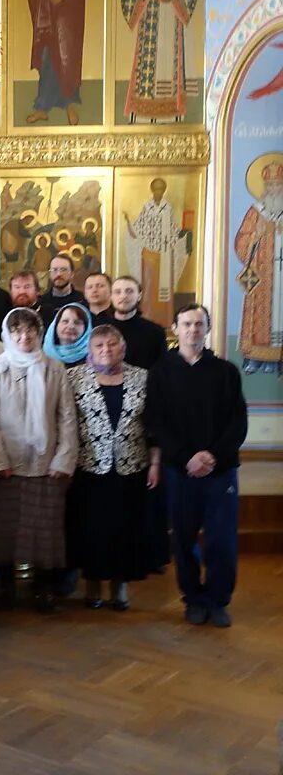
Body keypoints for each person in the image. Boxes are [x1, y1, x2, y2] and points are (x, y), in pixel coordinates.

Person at [146, 305, 247, 627]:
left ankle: (217, 600)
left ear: (208, 328)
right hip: (180, 470)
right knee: (183, 537)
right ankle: (193, 597)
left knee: (221, 539)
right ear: (175, 328)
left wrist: (212, 456)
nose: (192, 330)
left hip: (220, 470)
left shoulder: (226, 371)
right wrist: (185, 458)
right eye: (186, 324)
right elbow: (156, 422)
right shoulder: (161, 372)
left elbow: (237, 422)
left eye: (199, 324)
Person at [0, 308, 78, 613]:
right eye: (17, 330)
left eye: (31, 330)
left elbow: (67, 416)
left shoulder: (55, 368)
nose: (24, 336)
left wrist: (63, 459)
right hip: (7, 464)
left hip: (46, 463)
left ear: (39, 332)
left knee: (44, 529)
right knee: (5, 529)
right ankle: (6, 586)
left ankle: (43, 587)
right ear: (9, 334)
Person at [67, 326, 156, 612]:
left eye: (112, 344)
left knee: (124, 528)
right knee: (92, 529)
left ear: (123, 347)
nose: (106, 349)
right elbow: (65, 423)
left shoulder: (142, 377)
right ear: (90, 350)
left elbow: (155, 424)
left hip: (131, 465)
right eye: (99, 345)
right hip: (89, 466)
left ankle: (120, 585)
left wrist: (155, 462)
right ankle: (92, 583)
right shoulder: (73, 378)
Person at [119, 0, 198, 122]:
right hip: (150, 25)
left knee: (170, 67)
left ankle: (172, 115)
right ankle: (143, 116)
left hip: (172, 21)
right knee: (146, 70)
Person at [233, 161, 283, 374]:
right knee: (260, 316)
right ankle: (256, 359)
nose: (273, 189)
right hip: (263, 274)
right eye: (269, 185)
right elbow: (241, 242)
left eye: (277, 185)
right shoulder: (256, 211)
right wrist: (258, 233)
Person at [123, 178, 189, 326]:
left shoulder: (167, 208)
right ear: (152, 190)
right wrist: (129, 223)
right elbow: (139, 228)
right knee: (149, 287)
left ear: (164, 190)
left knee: (164, 288)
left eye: (161, 189)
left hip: (165, 254)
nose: (158, 192)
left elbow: (173, 229)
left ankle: (164, 321)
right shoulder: (147, 207)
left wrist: (183, 235)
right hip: (148, 254)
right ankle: (147, 319)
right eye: (156, 189)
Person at [26, 0, 87, 126]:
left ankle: (69, 104)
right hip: (48, 17)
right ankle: (43, 107)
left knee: (67, 60)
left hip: (68, 20)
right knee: (48, 58)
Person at [102, 275, 167, 370]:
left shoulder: (155, 331)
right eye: (117, 292)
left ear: (139, 296)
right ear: (111, 297)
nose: (123, 296)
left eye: (129, 291)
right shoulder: (99, 328)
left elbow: (161, 370)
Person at [43, 302, 92, 368]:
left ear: (86, 329)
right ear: (55, 325)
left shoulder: (94, 358)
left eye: (77, 323)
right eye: (65, 321)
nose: (70, 326)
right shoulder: (40, 357)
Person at [40, 254, 84, 325]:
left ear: (72, 273)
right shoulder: (41, 303)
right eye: (54, 270)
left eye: (63, 270)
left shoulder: (82, 301)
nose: (59, 274)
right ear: (49, 274)